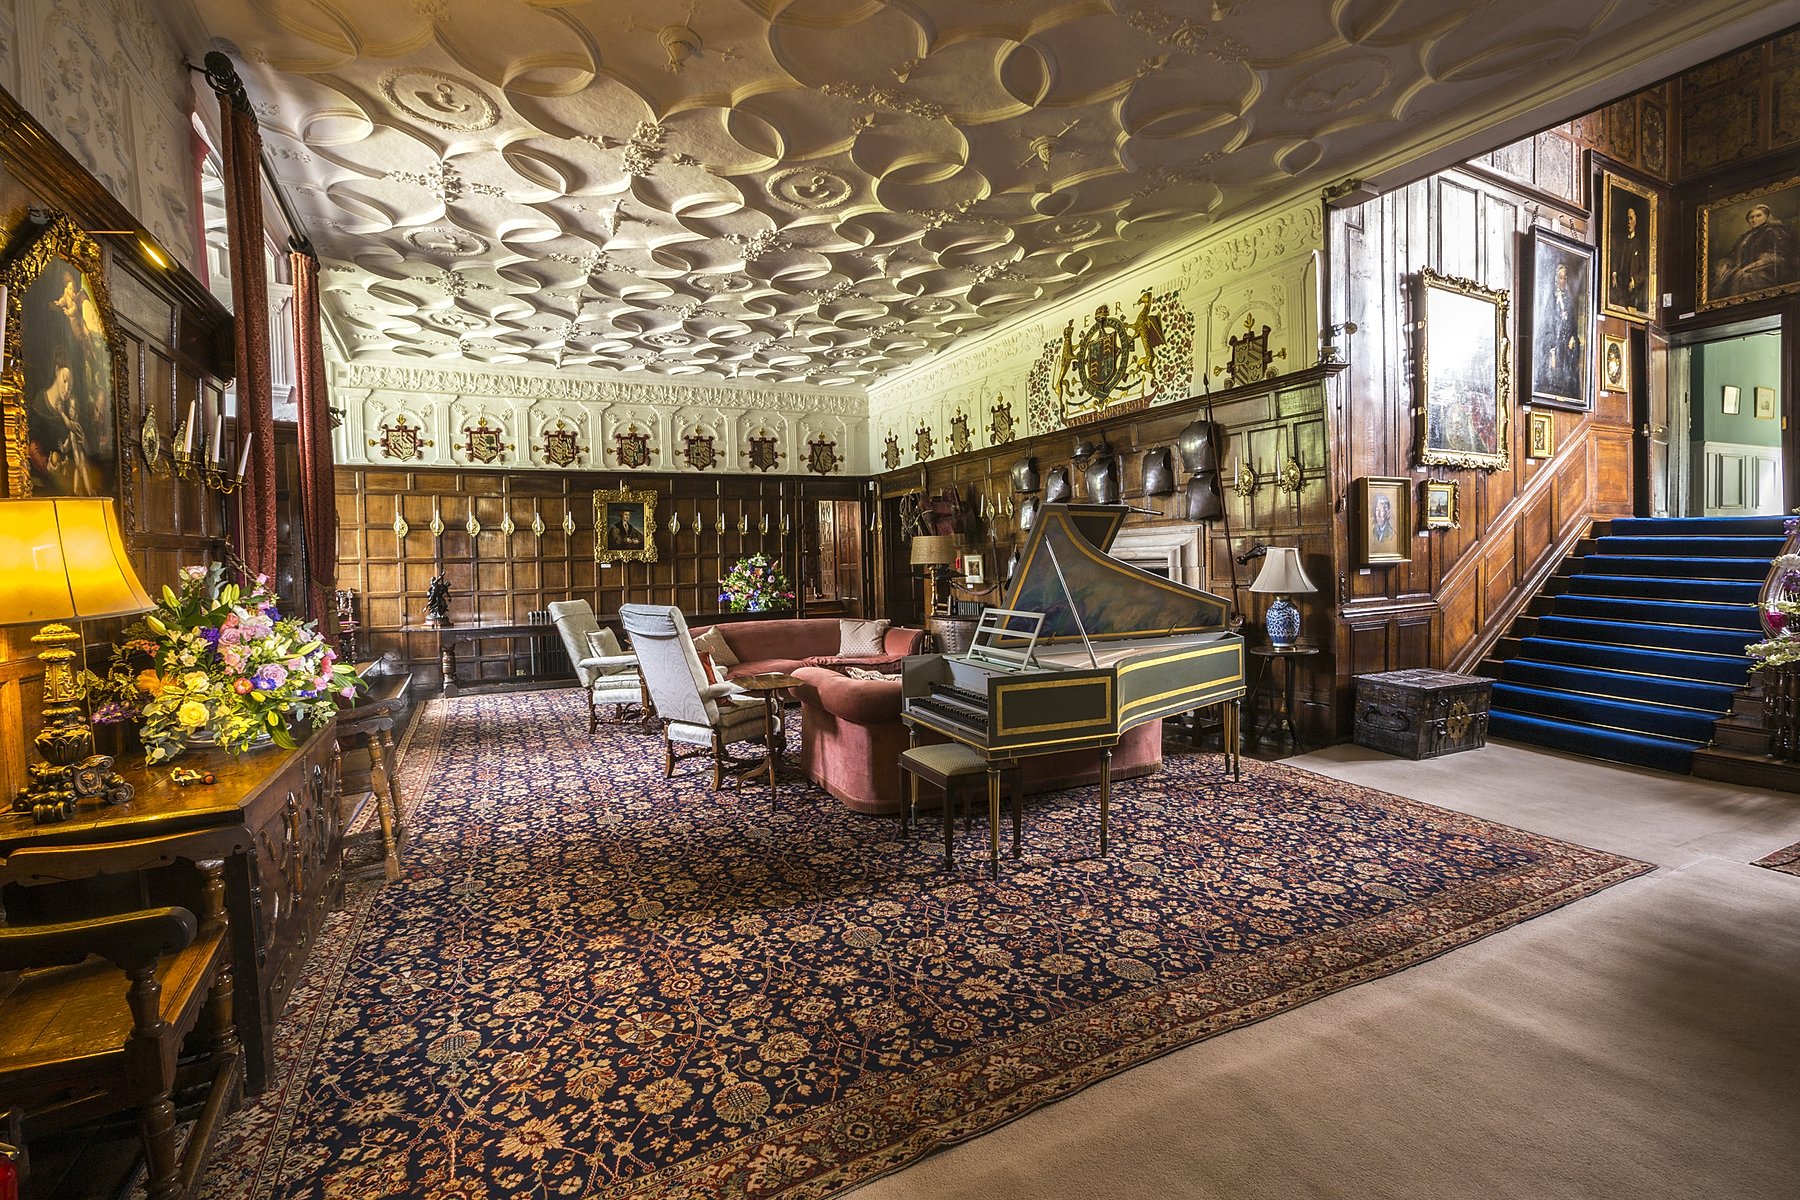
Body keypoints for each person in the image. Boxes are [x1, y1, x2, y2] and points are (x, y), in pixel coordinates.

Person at [1712, 203, 1798, 300]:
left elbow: (1778, 257)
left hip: (1767, 271)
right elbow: (1733, 255)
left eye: (1758, 216)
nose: (1754, 219)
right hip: (1743, 271)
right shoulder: (1745, 237)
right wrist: (1725, 265)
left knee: (1743, 280)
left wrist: (1746, 269)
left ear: (1766, 217)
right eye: (1751, 217)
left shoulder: (1773, 231)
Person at [1535, 259, 1583, 402]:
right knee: (1553, 374)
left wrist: (1573, 336)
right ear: (1556, 279)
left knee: (1567, 373)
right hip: (1553, 343)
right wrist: (1552, 347)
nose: (1562, 281)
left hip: (1566, 343)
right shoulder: (1550, 299)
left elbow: (1572, 321)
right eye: (1560, 278)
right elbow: (1547, 323)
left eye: (1564, 278)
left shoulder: (1568, 299)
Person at [1608, 200, 1648, 315]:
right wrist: (1614, 273)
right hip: (1619, 288)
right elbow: (1614, 259)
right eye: (1627, 219)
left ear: (1635, 221)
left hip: (1632, 291)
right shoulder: (1621, 242)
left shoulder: (1639, 245)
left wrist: (1634, 281)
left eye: (1631, 219)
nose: (1628, 222)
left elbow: (1644, 270)